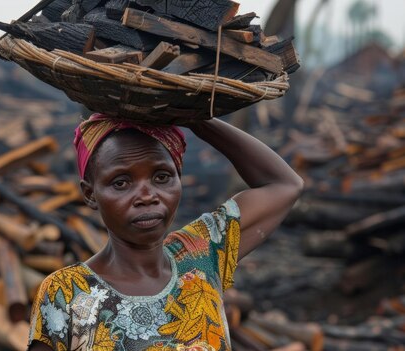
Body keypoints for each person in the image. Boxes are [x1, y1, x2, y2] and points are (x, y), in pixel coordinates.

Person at [27, 113, 304, 351]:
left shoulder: (200, 254)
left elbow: (285, 185)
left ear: (179, 179)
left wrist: (198, 119)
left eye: (162, 177)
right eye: (121, 182)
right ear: (90, 194)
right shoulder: (66, 292)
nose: (147, 196)